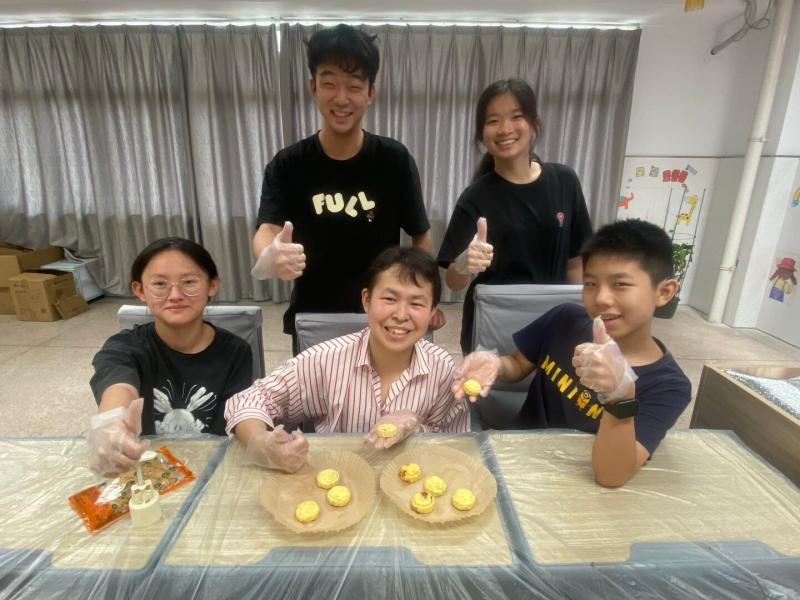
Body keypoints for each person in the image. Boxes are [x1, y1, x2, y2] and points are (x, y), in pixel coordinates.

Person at [455, 220, 691, 487]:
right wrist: (495, 364)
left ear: (664, 292)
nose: (601, 298)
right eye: (590, 283)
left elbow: (611, 476)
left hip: (579, 484)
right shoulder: (565, 319)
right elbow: (517, 364)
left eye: (620, 284)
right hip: (517, 455)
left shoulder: (669, 386)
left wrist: (620, 396)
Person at [251, 24, 441, 354]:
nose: (341, 98)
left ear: (371, 92)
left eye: (354, 86)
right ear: (313, 87)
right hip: (313, 316)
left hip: (384, 316)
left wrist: (425, 296)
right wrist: (270, 255)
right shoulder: (288, 163)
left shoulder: (394, 159)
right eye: (329, 84)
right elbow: (267, 229)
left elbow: (421, 236)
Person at [227, 247, 469, 473]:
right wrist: (262, 444)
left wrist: (415, 426)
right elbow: (250, 400)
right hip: (337, 480)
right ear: (366, 300)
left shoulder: (442, 368)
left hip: (410, 487)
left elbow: (456, 442)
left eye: (416, 303)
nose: (400, 315)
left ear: (432, 312)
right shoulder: (325, 360)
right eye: (389, 299)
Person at [437, 78, 592, 353]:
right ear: (481, 133)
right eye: (493, 120)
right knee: (492, 382)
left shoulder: (564, 181)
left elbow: (575, 263)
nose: (505, 129)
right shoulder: (475, 197)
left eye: (516, 117)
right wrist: (463, 263)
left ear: (533, 124)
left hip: (553, 321)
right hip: (493, 325)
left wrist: (582, 317)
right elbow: (453, 281)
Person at [88, 238, 253, 477]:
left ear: (212, 285)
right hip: (145, 471)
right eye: (159, 284)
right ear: (140, 290)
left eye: (189, 282)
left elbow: (239, 415)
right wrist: (113, 427)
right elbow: (119, 387)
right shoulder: (124, 347)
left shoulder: (236, 351)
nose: (175, 295)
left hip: (212, 469)